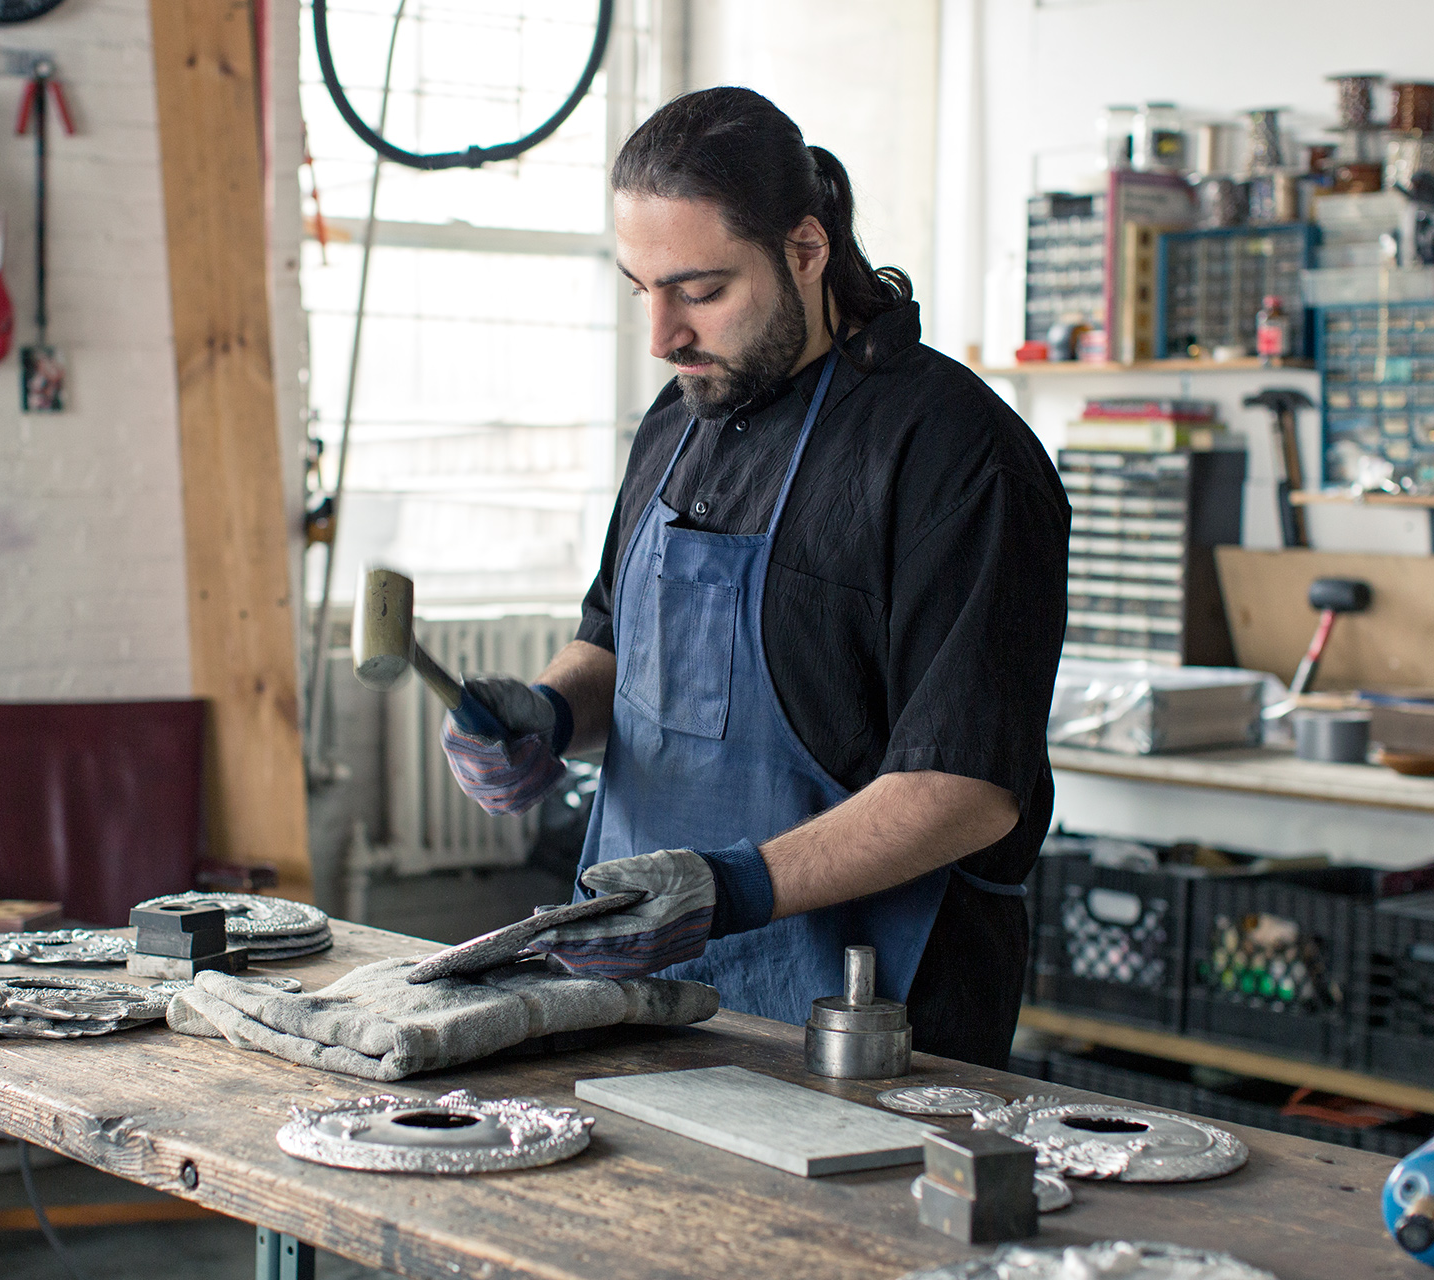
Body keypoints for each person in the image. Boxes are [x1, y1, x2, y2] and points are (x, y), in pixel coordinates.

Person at [440, 87, 1067, 1069]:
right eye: (639, 288)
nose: (662, 335)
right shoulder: (678, 415)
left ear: (806, 250)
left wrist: (725, 890)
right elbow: (612, 636)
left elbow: (967, 785)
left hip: (865, 1026)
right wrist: (549, 713)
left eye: (698, 289)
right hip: (635, 1000)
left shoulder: (957, 453)